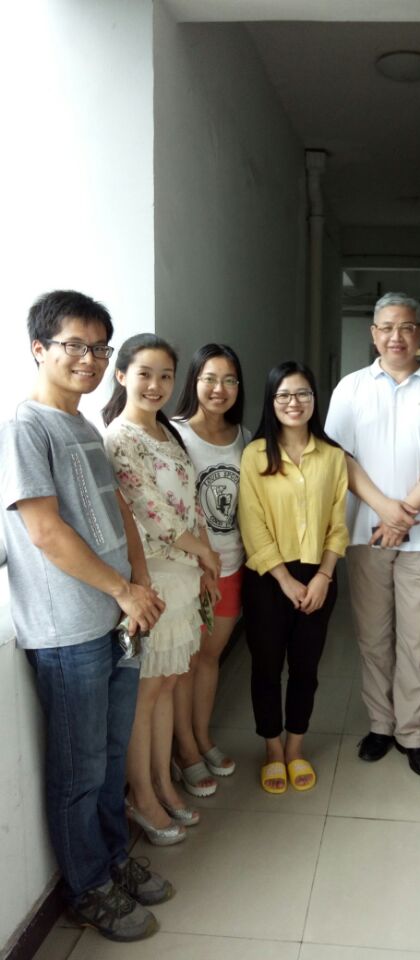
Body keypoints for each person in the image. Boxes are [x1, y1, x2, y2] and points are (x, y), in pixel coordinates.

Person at [0, 291, 170, 942]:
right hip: (67, 631)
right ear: (39, 348)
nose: (90, 360)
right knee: (78, 772)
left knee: (108, 757)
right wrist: (124, 591)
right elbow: (44, 531)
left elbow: (117, 511)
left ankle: (113, 860)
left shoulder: (82, 425)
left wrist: (140, 583)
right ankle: (88, 888)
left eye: (100, 348)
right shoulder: (26, 428)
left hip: (114, 621)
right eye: (75, 345)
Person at [325, 292, 420, 779]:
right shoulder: (351, 387)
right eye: (386, 327)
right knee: (373, 636)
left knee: (418, 639)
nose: (396, 336)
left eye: (406, 327)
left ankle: (413, 732)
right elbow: (339, 457)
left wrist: (402, 516)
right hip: (365, 532)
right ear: (374, 333)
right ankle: (381, 725)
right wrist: (386, 510)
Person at [103, 335, 221, 843]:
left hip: (185, 573)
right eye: (145, 373)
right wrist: (205, 553)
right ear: (122, 376)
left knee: (169, 683)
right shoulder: (120, 436)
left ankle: (164, 785)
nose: (155, 385)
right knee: (147, 693)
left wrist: (204, 560)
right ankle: (143, 796)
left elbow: (190, 503)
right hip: (152, 575)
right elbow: (151, 513)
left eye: (165, 376)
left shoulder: (166, 432)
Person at [239, 360, 348, 793]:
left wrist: (324, 576)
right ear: (271, 401)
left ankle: (295, 748)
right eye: (283, 394)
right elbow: (252, 522)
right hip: (268, 578)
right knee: (266, 667)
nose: (294, 402)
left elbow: (338, 523)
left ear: (314, 399)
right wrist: (285, 580)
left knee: (306, 668)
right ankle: (272, 749)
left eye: (302, 393)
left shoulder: (333, 456)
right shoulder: (254, 455)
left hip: (319, 576)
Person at [173, 344, 251, 783]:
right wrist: (200, 559)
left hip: (231, 566)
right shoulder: (175, 433)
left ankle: (202, 737)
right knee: (184, 662)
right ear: (195, 382)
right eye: (210, 378)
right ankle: (185, 750)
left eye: (229, 380)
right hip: (188, 570)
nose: (219, 388)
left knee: (210, 658)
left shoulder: (244, 437)